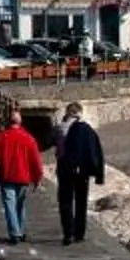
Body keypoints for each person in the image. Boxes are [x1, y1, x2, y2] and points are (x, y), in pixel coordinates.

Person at [0, 111, 45, 243]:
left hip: (7, 176)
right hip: (24, 177)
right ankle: (19, 229)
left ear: (8, 122)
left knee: (10, 205)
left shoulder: (2, 137)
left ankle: (15, 232)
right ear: (20, 122)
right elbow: (36, 160)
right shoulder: (29, 138)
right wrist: (37, 178)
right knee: (20, 205)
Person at [55, 103, 105, 244]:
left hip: (65, 168)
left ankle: (68, 232)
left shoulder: (61, 129)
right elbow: (95, 150)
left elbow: (57, 148)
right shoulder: (88, 130)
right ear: (80, 113)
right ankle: (80, 232)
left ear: (68, 113)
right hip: (83, 170)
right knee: (81, 201)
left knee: (65, 201)